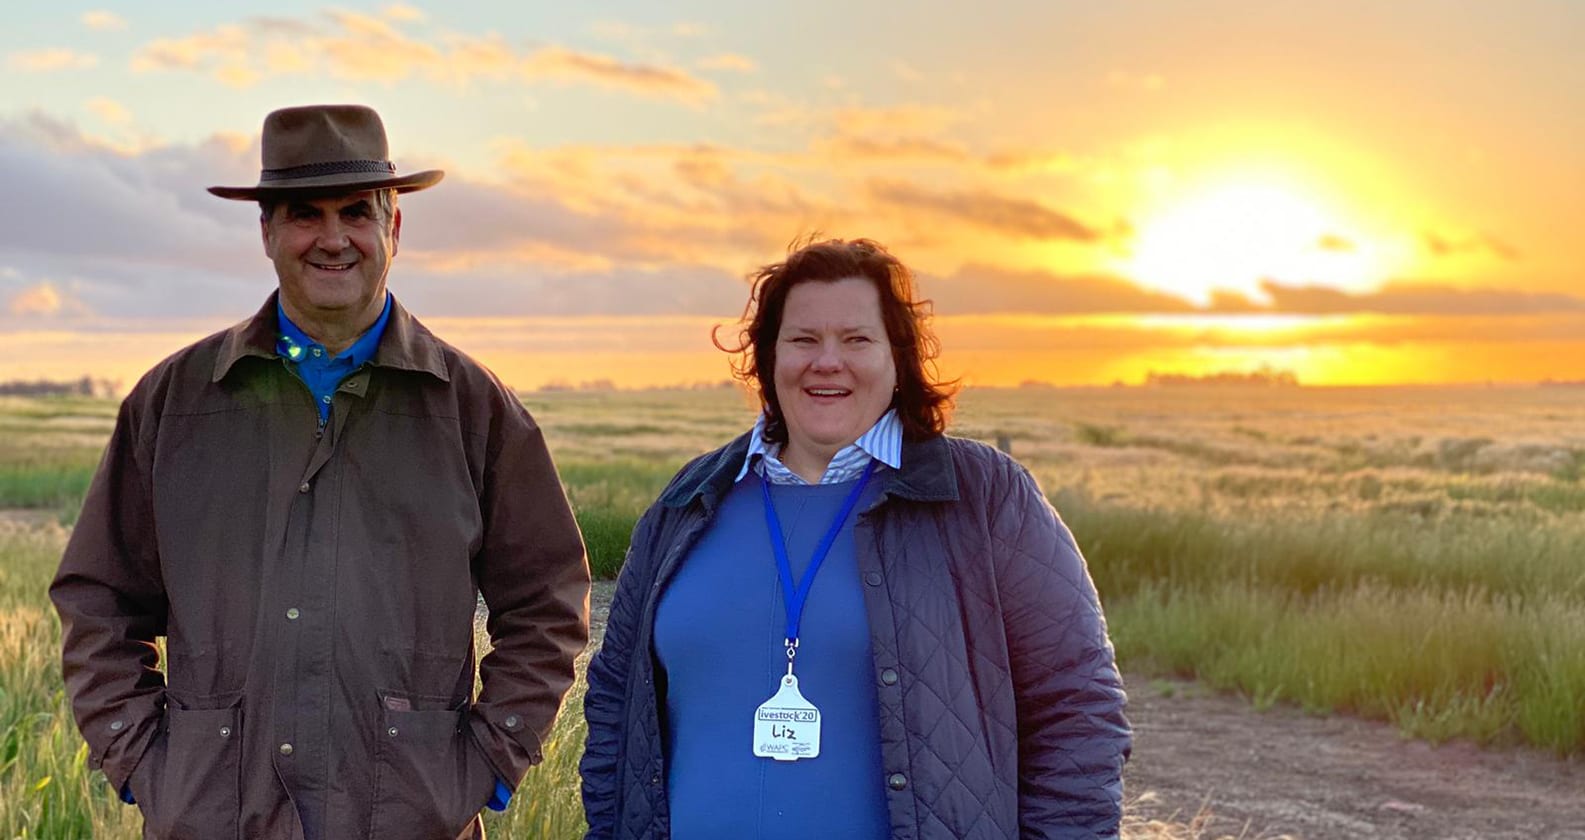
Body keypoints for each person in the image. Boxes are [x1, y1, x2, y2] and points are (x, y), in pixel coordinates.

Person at [50, 104, 591, 840]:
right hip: (211, 823)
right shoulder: (172, 404)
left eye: (356, 214)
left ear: (394, 229)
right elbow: (98, 600)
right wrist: (146, 766)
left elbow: (547, 601)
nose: (333, 239)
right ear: (267, 232)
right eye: (305, 214)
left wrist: (486, 766)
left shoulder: (472, 409)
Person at [580, 237, 1131, 838]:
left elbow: (1078, 710)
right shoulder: (689, 499)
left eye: (857, 339)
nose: (827, 361)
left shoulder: (983, 495)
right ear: (768, 358)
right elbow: (615, 699)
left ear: (900, 359)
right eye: (803, 339)